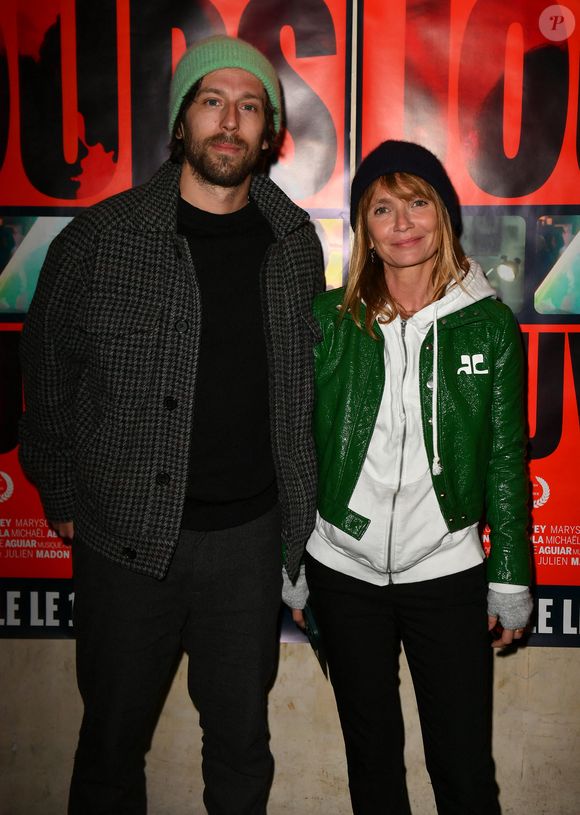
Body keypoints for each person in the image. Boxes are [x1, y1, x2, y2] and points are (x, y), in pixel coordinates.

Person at [19, 35, 324, 815]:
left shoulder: (293, 243)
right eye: (213, 101)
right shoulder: (99, 240)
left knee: (241, 746)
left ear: (269, 133)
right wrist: (57, 485)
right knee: (112, 746)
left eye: (250, 106)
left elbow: (300, 388)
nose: (231, 121)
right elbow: (46, 372)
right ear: (183, 120)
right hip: (125, 540)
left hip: (249, 545)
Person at [297, 140, 532, 814]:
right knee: (371, 767)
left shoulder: (489, 327)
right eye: (382, 208)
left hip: (447, 572)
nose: (402, 222)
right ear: (363, 228)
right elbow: (295, 445)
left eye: (418, 202)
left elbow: (505, 459)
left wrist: (510, 574)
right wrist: (295, 555)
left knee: (463, 768)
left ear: (444, 215)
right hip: (342, 571)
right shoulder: (328, 321)